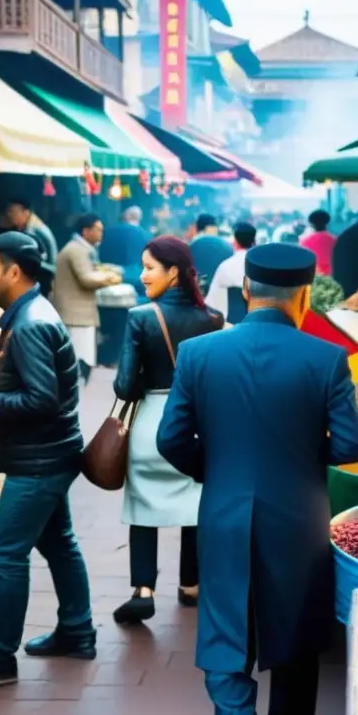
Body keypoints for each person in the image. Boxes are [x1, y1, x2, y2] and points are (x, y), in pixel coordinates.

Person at [156, 243, 358, 715]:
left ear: (248, 290)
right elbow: (353, 444)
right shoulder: (327, 359)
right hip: (299, 521)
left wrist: (218, 469)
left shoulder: (198, 353)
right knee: (296, 641)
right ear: (305, 297)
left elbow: (170, 439)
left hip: (223, 513)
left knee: (226, 634)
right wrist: (305, 453)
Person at [0, 232, 94, 685]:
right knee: (59, 543)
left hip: (41, 460)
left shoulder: (29, 324)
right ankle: (77, 631)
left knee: (5, 552)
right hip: (51, 452)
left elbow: (42, 399)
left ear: (13, 272)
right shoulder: (29, 314)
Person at [113, 236, 224, 624]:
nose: (142, 276)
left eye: (149, 267)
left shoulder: (140, 318)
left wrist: (146, 375)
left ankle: (143, 590)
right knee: (195, 506)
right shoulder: (213, 319)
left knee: (143, 507)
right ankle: (191, 585)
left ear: (173, 272)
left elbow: (124, 387)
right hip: (196, 426)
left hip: (149, 427)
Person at [52, 214, 123, 384]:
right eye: (98, 230)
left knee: (78, 363)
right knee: (80, 363)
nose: (101, 234)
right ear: (85, 231)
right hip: (76, 316)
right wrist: (112, 277)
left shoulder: (81, 249)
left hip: (78, 314)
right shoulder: (76, 250)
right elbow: (87, 278)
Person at [7, 197, 59, 298]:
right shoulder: (30, 227)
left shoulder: (33, 231)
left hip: (44, 277)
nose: (10, 216)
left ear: (26, 213)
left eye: (13, 212)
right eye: (9, 212)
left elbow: (32, 260)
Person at [205, 222, 257, 318]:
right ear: (254, 241)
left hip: (229, 325)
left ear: (235, 242)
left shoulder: (225, 267)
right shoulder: (260, 267)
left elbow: (211, 304)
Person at [104, 205, 151, 298]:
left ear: (125, 216)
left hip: (110, 274)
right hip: (136, 276)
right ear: (139, 218)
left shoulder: (108, 231)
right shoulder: (145, 235)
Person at [190, 214, 234, 296]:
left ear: (197, 227)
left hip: (198, 286)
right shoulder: (225, 243)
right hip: (221, 288)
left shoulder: (194, 243)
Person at [299, 209, 335, 275]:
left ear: (311, 224)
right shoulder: (335, 241)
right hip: (332, 278)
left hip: (313, 278)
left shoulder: (304, 241)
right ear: (327, 223)